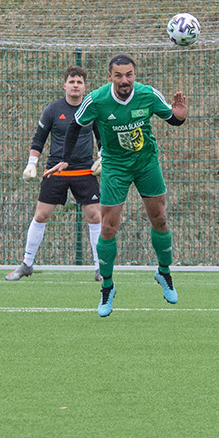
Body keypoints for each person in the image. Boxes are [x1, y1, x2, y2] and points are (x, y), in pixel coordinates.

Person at [45, 54, 187, 317]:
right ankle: (107, 288)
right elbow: (76, 125)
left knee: (160, 220)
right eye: (119, 75)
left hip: (146, 163)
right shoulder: (98, 99)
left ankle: (164, 273)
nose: (125, 80)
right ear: (110, 76)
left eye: (129, 74)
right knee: (108, 227)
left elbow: (173, 118)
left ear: (135, 74)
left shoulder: (147, 94)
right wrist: (65, 158)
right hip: (115, 167)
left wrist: (180, 116)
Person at [7, 65, 103, 282]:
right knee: (41, 215)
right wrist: (32, 163)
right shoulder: (52, 110)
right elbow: (38, 140)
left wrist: (102, 158)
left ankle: (100, 268)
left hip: (85, 170)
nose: (75, 85)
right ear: (65, 85)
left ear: (84, 86)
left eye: (79, 82)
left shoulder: (91, 109)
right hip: (55, 170)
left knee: (95, 216)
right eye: (72, 81)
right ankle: (26, 264)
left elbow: (101, 139)